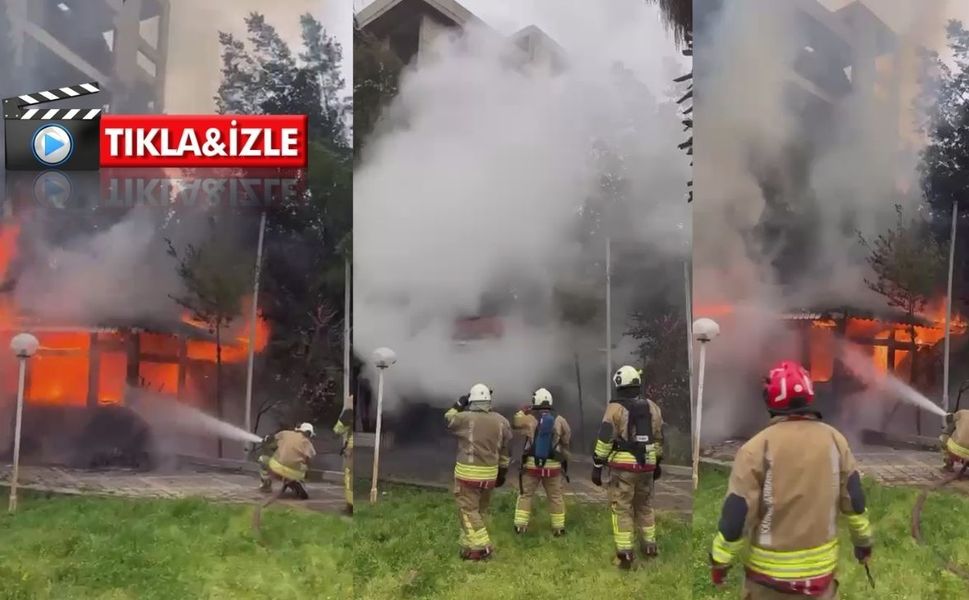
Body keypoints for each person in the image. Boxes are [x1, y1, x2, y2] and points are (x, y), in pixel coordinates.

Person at [709, 361, 873, 599]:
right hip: (821, 582)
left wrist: (720, 561)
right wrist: (863, 542)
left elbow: (737, 514)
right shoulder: (836, 441)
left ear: (770, 400)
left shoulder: (756, 449)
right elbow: (855, 502)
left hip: (768, 584)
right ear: (809, 397)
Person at [592, 365, 665, 570]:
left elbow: (605, 438)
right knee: (645, 506)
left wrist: (597, 464)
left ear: (618, 385)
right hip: (647, 465)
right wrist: (656, 463)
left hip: (623, 467)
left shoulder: (614, 409)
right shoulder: (653, 407)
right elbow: (659, 438)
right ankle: (650, 547)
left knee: (621, 507)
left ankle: (625, 555)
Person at [445, 383, 513, 560]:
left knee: (467, 510)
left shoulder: (465, 418)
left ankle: (481, 548)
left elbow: (448, 418)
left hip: (468, 475)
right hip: (490, 475)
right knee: (479, 511)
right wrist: (502, 473)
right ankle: (469, 544)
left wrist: (459, 403)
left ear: (472, 401)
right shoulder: (502, 421)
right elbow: (505, 453)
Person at [512, 387, 572, 536]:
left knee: (525, 495)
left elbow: (515, 422)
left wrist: (523, 411)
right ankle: (558, 528)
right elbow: (567, 438)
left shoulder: (529, 418)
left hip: (532, 466)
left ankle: (520, 526)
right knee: (556, 497)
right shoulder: (560, 419)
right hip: (553, 467)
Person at [258, 422, 318, 499]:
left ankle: (266, 486)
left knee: (263, 459)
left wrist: (266, 441)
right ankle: (298, 482)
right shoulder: (308, 444)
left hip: (276, 468)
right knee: (303, 468)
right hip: (294, 473)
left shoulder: (285, 433)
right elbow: (311, 460)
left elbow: (271, 442)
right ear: (309, 434)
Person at [333, 395, 354, 516]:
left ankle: (350, 507)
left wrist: (346, 410)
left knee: (349, 479)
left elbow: (337, 431)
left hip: (352, 450)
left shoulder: (349, 413)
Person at [940, 408, 969, 472]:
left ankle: (948, 464)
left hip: (955, 449)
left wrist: (949, 415)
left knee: (943, 438)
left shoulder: (962, 412)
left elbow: (949, 419)